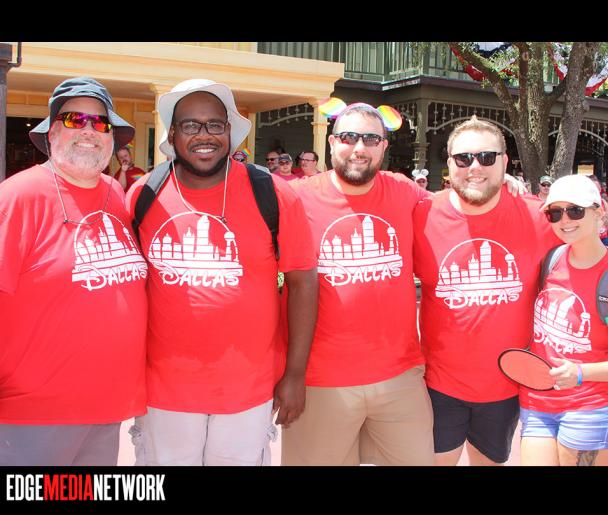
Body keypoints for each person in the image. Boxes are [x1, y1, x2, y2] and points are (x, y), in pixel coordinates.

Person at [413, 115, 608, 466]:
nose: (475, 166)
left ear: (504, 162)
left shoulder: (539, 216)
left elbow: (583, 240)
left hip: (509, 385)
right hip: (439, 385)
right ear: (450, 164)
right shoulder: (422, 214)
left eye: (487, 157)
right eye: (464, 158)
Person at [125, 79, 318, 466]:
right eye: (190, 125)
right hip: (164, 389)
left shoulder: (273, 193)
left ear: (229, 131)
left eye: (214, 124)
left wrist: (295, 374)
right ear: (173, 134)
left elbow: (303, 283)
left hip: (247, 388)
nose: (204, 135)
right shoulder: (143, 195)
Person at [0, 77, 148, 466]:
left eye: (100, 122)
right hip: (32, 417)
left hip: (106, 410)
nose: (88, 130)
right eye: (74, 119)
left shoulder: (114, 193)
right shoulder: (18, 197)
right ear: (51, 133)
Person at [280, 103, 436, 466]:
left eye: (370, 139)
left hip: (399, 376)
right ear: (332, 143)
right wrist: (290, 374)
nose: (359, 148)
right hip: (321, 380)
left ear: (384, 146)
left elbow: (456, 208)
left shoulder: (405, 191)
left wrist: (506, 187)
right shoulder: (296, 196)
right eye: (349, 137)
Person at [520, 175, 608, 466]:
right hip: (537, 404)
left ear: (598, 212)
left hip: (591, 407)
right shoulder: (550, 259)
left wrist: (581, 372)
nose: (565, 220)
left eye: (575, 210)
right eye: (555, 212)